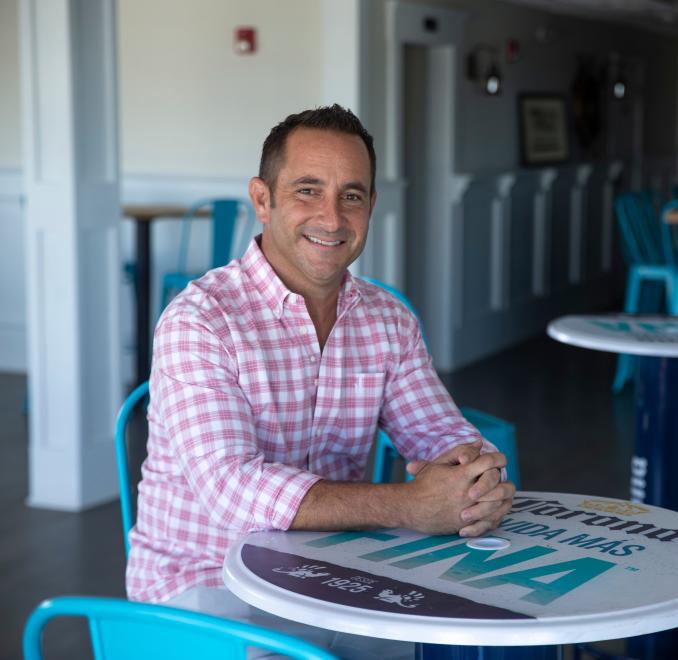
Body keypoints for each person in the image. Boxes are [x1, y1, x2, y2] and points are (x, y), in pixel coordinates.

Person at [126, 105, 515, 656]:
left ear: (371, 206)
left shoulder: (387, 319)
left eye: (351, 196)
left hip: (329, 574)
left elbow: (442, 435)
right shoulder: (201, 320)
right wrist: (411, 505)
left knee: (462, 645)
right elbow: (231, 491)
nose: (332, 218)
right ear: (262, 199)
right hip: (204, 587)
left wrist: (473, 482)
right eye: (307, 191)